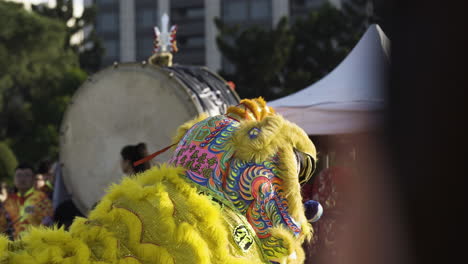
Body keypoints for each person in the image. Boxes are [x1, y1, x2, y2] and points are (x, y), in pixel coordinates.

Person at [0, 163, 53, 239]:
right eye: (19, 175)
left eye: (27, 175)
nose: (22, 179)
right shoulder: (8, 201)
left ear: (33, 179)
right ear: (14, 179)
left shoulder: (42, 199)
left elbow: (47, 223)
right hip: (12, 246)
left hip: (35, 245)